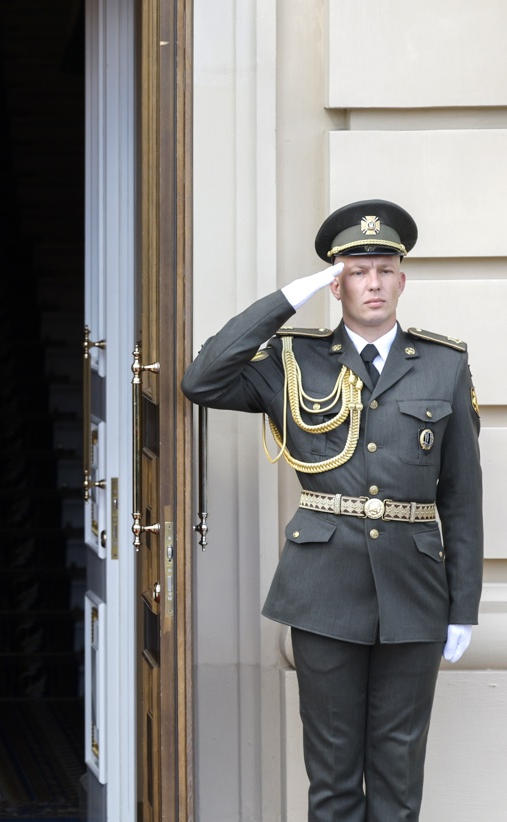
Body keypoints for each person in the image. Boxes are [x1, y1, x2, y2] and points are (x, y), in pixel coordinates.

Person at [181, 199, 482, 820]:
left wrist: (463, 605)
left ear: (402, 280)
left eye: (385, 270)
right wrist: (288, 299)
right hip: (322, 591)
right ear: (336, 284)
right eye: (356, 271)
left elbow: (461, 497)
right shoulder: (294, 359)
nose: (373, 283)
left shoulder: (444, 364)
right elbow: (201, 379)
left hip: (415, 592)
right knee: (334, 780)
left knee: (399, 782)